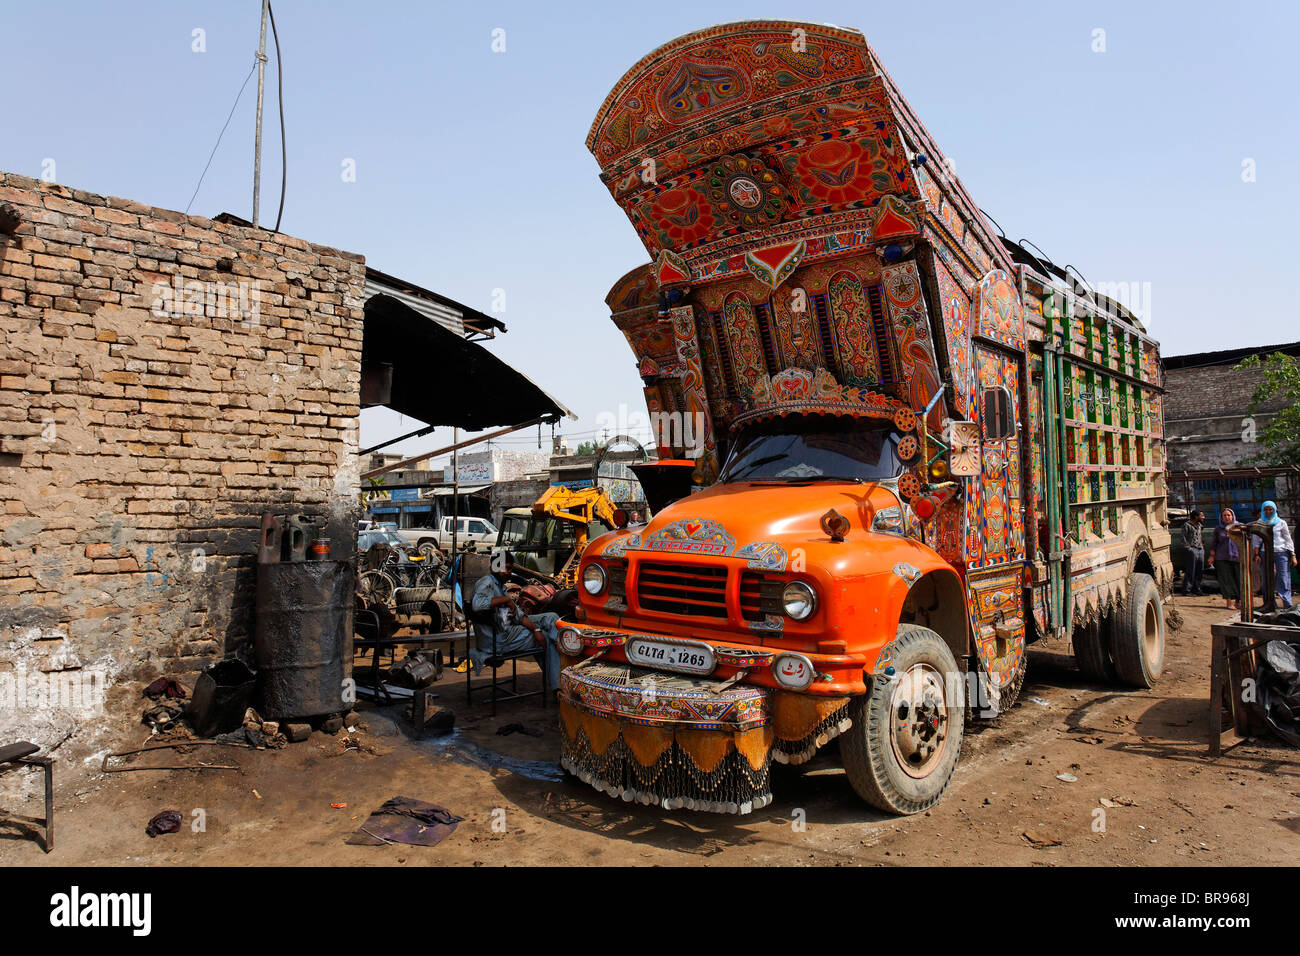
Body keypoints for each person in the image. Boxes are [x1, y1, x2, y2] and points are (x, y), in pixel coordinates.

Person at [469, 550, 562, 690]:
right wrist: (507, 599)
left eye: (509, 568)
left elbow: (518, 616)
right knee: (546, 638)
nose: (506, 572)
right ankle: (558, 687)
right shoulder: (486, 582)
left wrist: (535, 628)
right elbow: (477, 605)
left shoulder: (499, 585)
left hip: (503, 632)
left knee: (552, 617)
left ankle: (560, 650)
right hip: (497, 641)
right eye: (503, 568)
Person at [1260, 500, 1297, 610]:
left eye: (1270, 509)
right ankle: (1269, 604)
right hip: (1264, 553)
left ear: (1275, 510)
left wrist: (1292, 555)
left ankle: (1287, 604)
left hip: (1281, 552)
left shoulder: (1281, 523)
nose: (1268, 511)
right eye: (1266, 509)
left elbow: (1288, 540)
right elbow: (1256, 540)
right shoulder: (1260, 522)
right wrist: (1256, 553)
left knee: (1283, 577)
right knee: (1266, 578)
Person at [1207, 508, 1241, 610]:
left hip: (1237, 557)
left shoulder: (1239, 527)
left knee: (1239, 579)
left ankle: (1238, 601)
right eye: (1224, 515)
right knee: (1226, 580)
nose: (1227, 517)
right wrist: (1212, 556)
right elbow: (1214, 544)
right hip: (1222, 558)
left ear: (1233, 516)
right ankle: (1229, 602)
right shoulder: (1219, 529)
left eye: (1228, 515)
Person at [1181, 510, 1205, 596]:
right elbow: (1183, 538)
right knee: (1191, 570)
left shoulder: (1199, 525)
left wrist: (1202, 546)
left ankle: (1197, 589)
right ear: (1196, 516)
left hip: (1200, 549)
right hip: (1192, 549)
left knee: (1200, 570)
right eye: (1201, 516)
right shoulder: (1187, 525)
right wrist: (1189, 548)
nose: (1203, 517)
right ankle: (1187, 590)